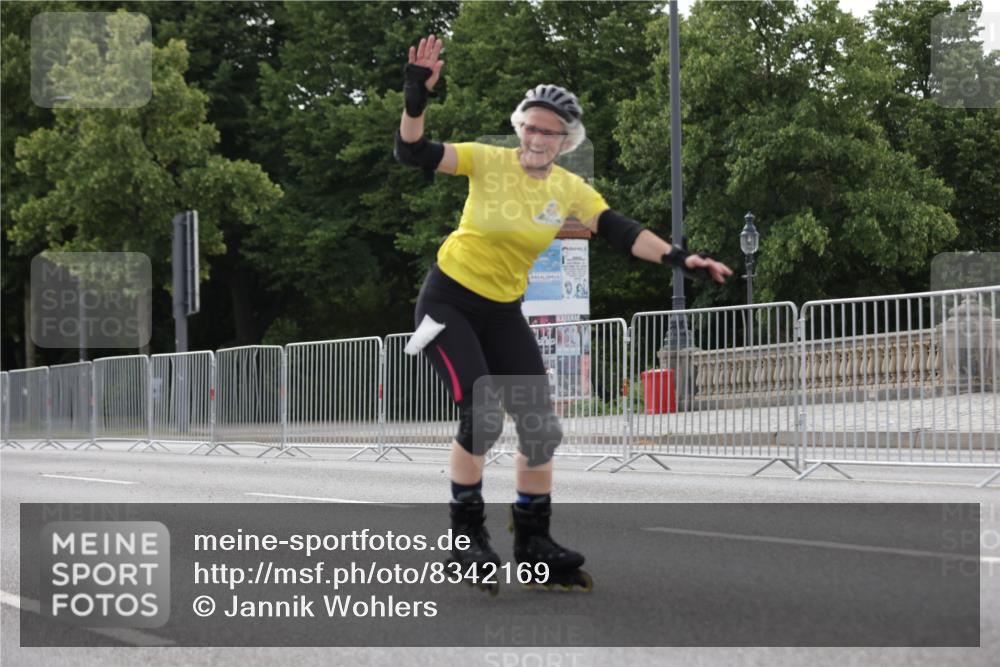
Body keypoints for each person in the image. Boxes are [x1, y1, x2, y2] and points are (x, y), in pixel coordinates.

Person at [395, 35, 733, 592]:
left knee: (540, 428)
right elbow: (413, 152)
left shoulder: (569, 188)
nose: (534, 136)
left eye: (547, 130)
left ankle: (533, 542)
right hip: (448, 300)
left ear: (565, 141)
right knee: (481, 414)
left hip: (503, 309)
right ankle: (465, 540)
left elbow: (621, 231)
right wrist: (414, 96)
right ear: (519, 126)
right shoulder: (487, 160)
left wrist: (680, 258)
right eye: (529, 125)